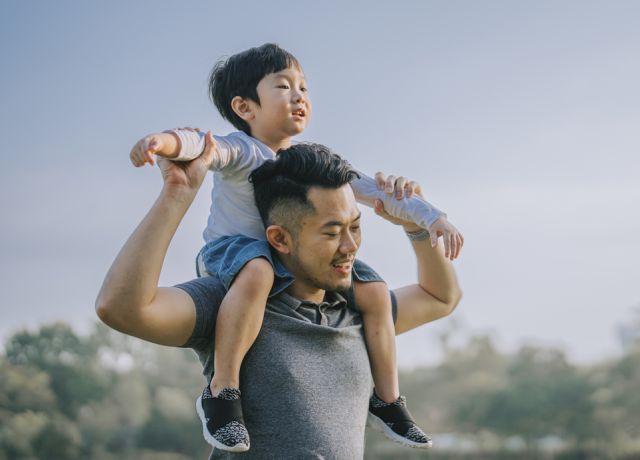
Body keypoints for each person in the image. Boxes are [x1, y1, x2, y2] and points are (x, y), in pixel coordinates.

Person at [126, 44, 463, 450]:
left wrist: (427, 220)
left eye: (303, 87)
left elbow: (382, 202)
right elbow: (198, 144)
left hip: (275, 267)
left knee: (373, 289)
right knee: (258, 271)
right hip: (233, 256)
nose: (300, 95)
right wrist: (162, 143)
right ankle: (223, 393)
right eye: (283, 87)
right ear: (245, 107)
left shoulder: (316, 170)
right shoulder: (241, 150)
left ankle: (388, 400)